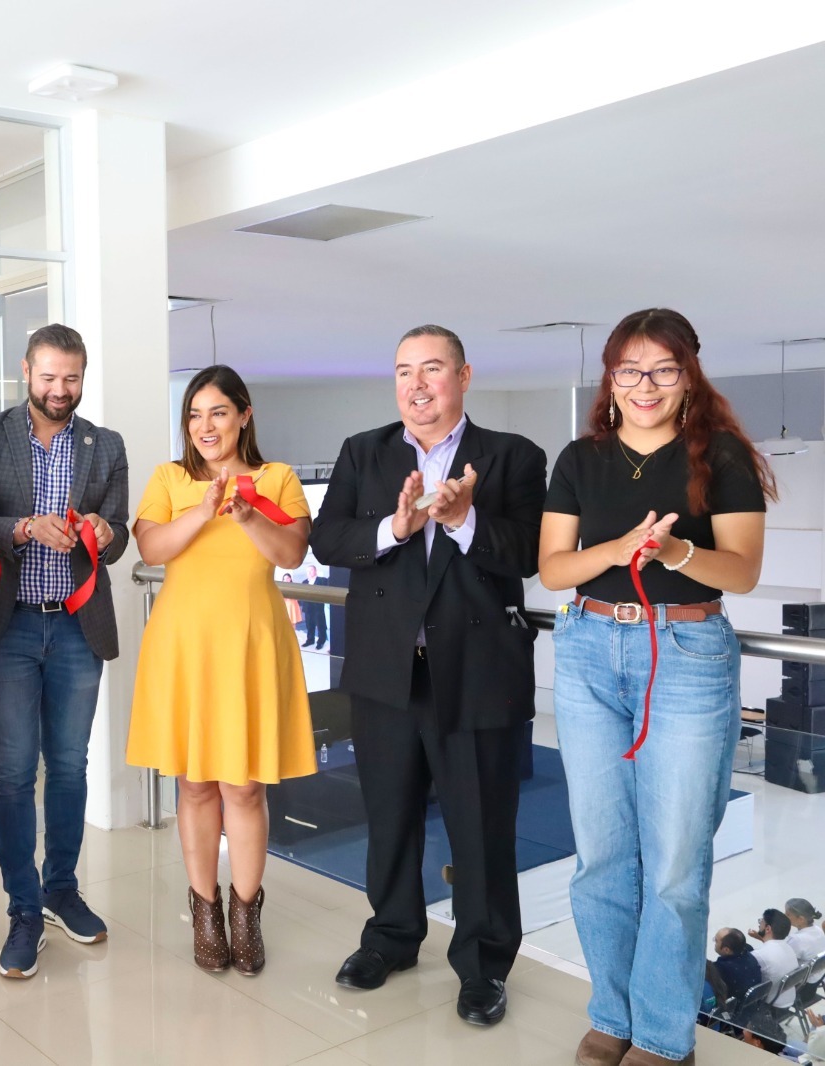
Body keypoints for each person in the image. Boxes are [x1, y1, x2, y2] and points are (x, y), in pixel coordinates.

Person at [540, 308, 774, 1066]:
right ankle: (613, 1013)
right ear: (611, 378)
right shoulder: (581, 458)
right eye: (630, 370)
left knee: (674, 863)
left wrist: (675, 552)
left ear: (688, 375)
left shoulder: (723, 455)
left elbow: (742, 570)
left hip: (686, 652)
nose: (646, 385)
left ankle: (663, 1036)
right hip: (586, 648)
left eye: (664, 370)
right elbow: (554, 568)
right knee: (601, 855)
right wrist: (616, 548)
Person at [310, 325, 546, 1028]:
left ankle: (483, 966)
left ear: (463, 377)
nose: (416, 385)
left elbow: (529, 554)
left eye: (432, 369)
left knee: (482, 829)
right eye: (403, 371)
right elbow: (328, 537)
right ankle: (390, 937)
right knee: (389, 817)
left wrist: (466, 520)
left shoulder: (512, 456)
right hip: (387, 672)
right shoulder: (364, 451)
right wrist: (395, 529)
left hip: (476, 674)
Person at [127, 365, 315, 976]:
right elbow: (151, 548)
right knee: (195, 784)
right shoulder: (169, 478)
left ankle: (246, 910)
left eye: (218, 412)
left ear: (244, 415)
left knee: (245, 786)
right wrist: (204, 508)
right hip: (185, 646)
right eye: (194, 415)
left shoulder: (277, 478)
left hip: (250, 644)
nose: (205, 426)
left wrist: (246, 514)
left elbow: (292, 552)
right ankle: (205, 908)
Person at [0, 323, 130, 978]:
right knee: (12, 771)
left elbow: (118, 535)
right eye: (50, 376)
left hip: (78, 627)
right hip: (10, 627)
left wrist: (104, 532)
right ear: (26, 370)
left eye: (72, 378)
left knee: (69, 765)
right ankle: (23, 908)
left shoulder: (105, 445)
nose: (61, 390)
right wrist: (26, 528)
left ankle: (61, 889)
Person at [751, 909, 800, 1012]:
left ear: (768, 928)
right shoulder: (789, 947)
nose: (759, 924)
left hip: (771, 1006)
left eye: (761, 921)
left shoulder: (759, 955)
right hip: (789, 1001)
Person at [705, 928, 762, 1007]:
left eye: (716, 941)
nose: (714, 943)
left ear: (726, 950)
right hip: (753, 1005)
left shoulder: (721, 968)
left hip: (734, 1009)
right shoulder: (749, 953)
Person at [297, 562, 328, 649]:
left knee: (320, 625)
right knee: (309, 625)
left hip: (318, 608)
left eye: (311, 570)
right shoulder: (304, 582)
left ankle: (321, 641)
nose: (309, 572)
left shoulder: (322, 580)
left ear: (315, 571)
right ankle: (310, 640)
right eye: (308, 571)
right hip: (308, 608)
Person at [787, 898, 825, 964]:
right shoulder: (818, 929)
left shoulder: (796, 940)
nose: (784, 916)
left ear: (801, 919)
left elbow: (785, 963)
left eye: (788, 914)